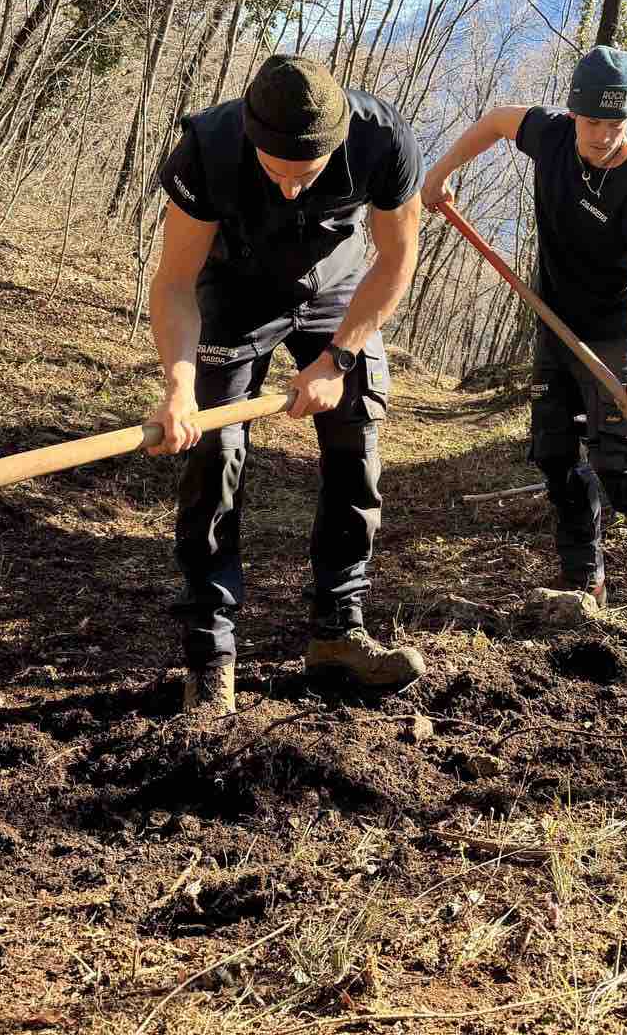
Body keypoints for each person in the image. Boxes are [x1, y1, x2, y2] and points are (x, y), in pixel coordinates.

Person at [145, 53, 428, 714]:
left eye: (309, 174)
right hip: (234, 293)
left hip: (338, 293)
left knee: (358, 443)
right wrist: (180, 385)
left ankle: (338, 630)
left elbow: (396, 260)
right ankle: (210, 655)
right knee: (215, 454)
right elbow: (175, 284)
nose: (293, 189)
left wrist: (340, 359)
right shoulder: (207, 148)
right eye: (277, 173)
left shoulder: (384, 140)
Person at [421, 45, 627, 658]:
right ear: (572, 113)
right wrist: (441, 174)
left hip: (616, 330)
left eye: (617, 124)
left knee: (619, 463)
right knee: (554, 452)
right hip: (555, 318)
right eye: (592, 122)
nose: (603, 136)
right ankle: (583, 577)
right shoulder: (550, 135)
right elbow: (497, 119)